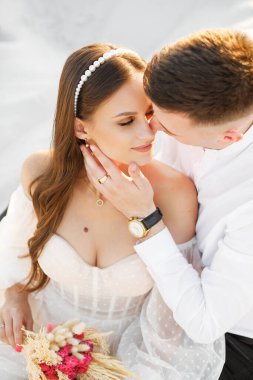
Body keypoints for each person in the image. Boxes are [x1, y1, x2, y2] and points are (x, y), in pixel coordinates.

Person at [0, 43, 224, 379]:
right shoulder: (41, 173)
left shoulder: (175, 194)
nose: (149, 131)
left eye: (150, 114)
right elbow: (14, 250)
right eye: (126, 121)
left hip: (128, 360)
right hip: (33, 340)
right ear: (81, 128)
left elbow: (167, 329)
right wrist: (15, 294)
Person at [80, 30, 253, 380]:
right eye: (148, 111)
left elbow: (205, 323)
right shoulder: (199, 101)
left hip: (232, 335)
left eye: (166, 127)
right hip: (167, 275)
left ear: (229, 137)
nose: (150, 129)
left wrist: (145, 218)